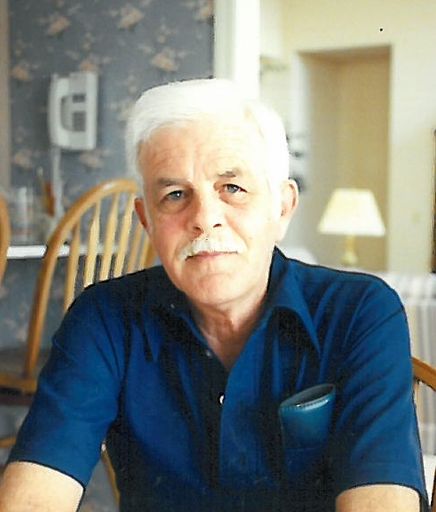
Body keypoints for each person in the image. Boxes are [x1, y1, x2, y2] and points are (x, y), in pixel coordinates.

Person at [0, 79, 428, 512]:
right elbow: (32, 497)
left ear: (282, 207)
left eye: (232, 188)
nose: (204, 218)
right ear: (146, 221)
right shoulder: (104, 318)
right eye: (175, 195)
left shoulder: (361, 312)